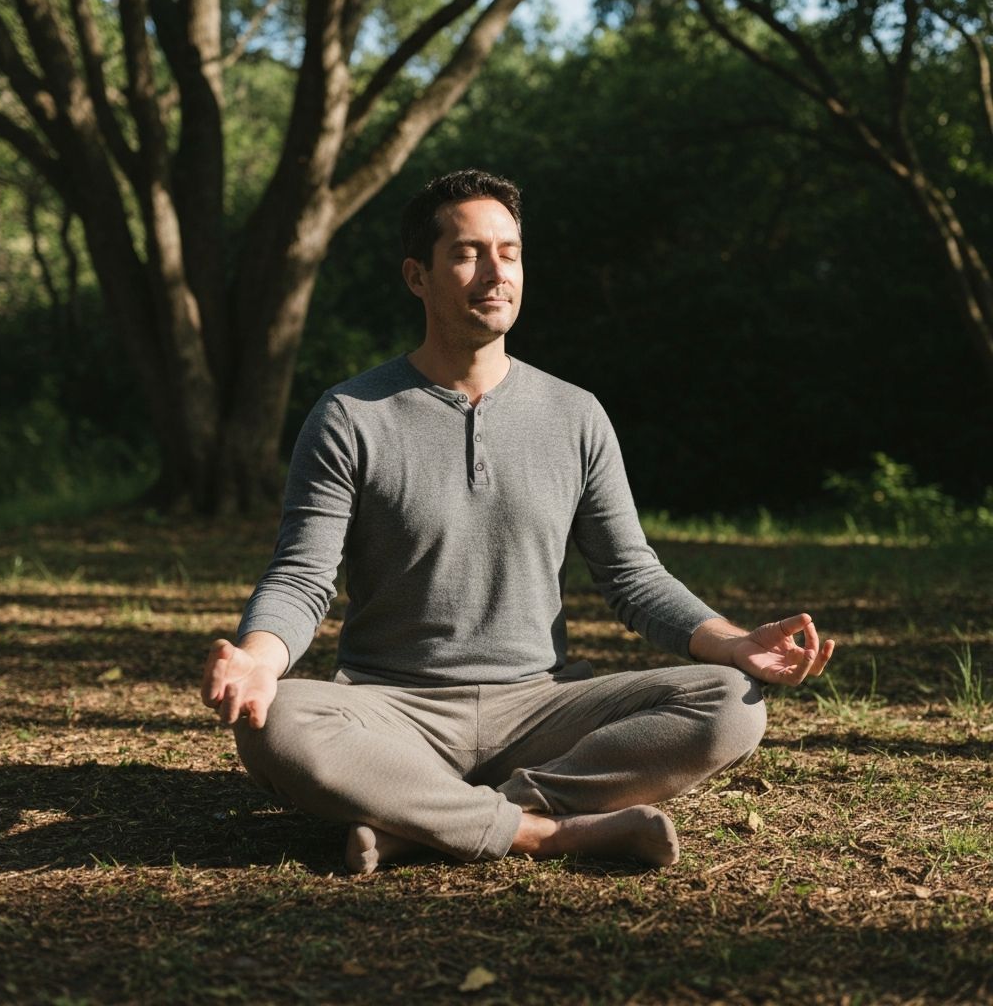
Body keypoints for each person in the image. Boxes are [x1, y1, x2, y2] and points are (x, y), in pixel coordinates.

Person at [201, 169, 834, 875]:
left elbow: (632, 576)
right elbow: (302, 576)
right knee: (279, 722)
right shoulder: (350, 416)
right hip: (394, 713)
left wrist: (734, 642)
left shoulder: (575, 414)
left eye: (509, 252)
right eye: (467, 253)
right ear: (417, 276)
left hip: (540, 710)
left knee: (731, 703)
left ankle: (424, 823)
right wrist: (259, 661)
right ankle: (543, 832)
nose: (495, 272)